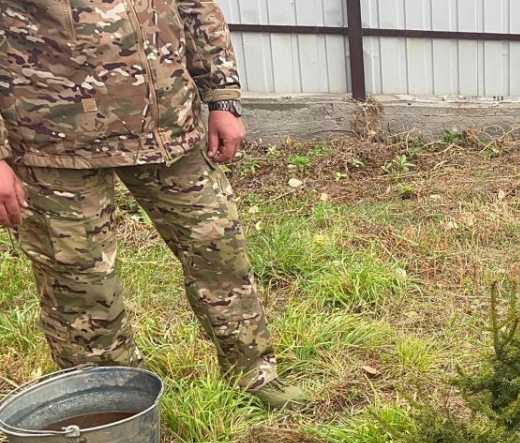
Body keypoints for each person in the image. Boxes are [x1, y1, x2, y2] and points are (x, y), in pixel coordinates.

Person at [0, 1, 303, 409]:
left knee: (219, 247)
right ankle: (114, 409)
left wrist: (223, 98)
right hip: (52, 140)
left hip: (167, 129)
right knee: (81, 286)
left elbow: (196, 8)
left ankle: (253, 374)